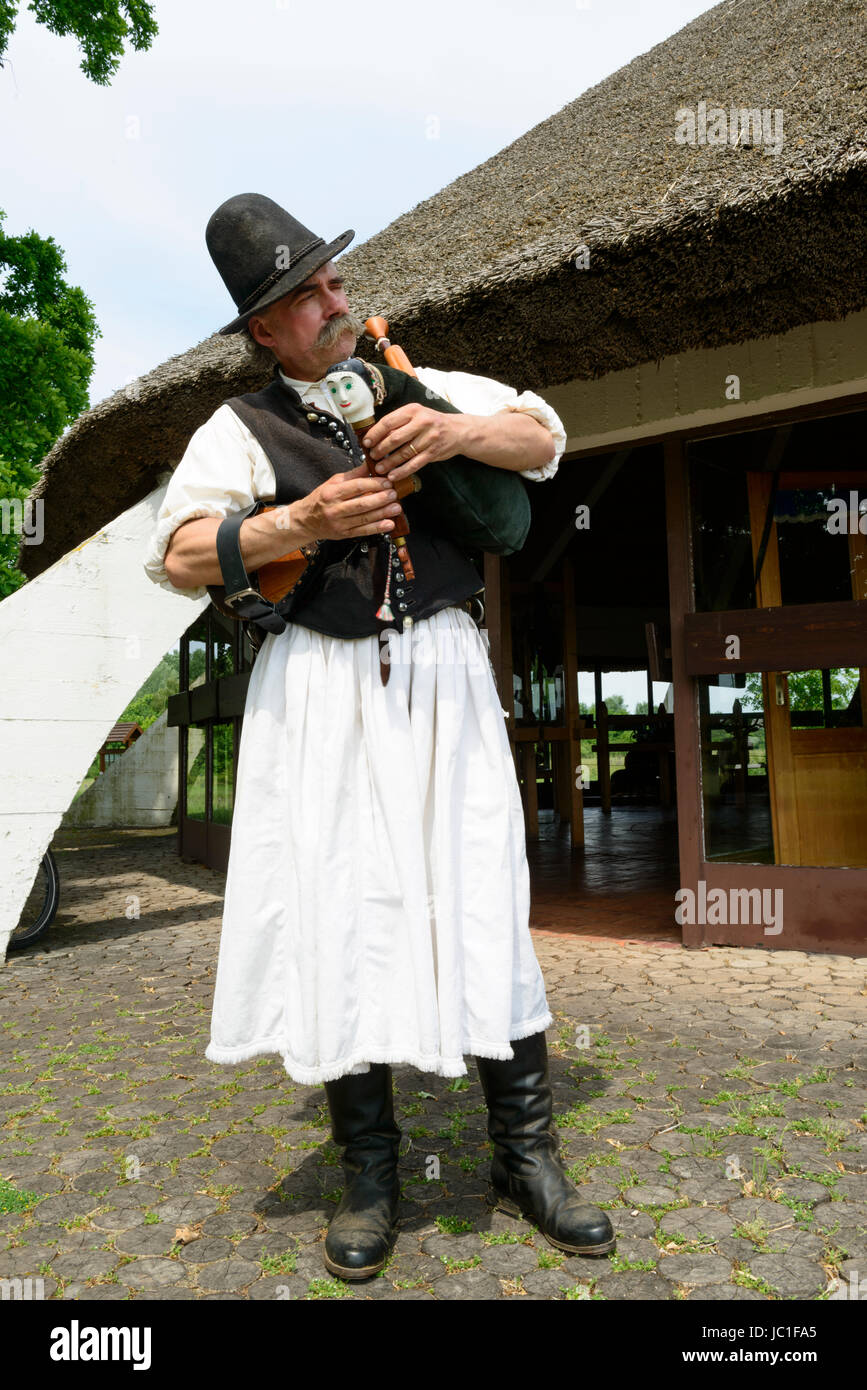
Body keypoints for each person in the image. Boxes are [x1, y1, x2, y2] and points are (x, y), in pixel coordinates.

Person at [143, 193, 615, 1280]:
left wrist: (451, 430)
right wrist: (300, 522)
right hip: (319, 686)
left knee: (480, 890)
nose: (330, 304)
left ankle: (526, 1154)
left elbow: (543, 435)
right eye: (300, 297)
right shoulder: (237, 428)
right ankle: (369, 1175)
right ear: (261, 329)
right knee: (337, 904)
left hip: (442, 671)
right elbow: (177, 556)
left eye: (332, 282)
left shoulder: (414, 372)